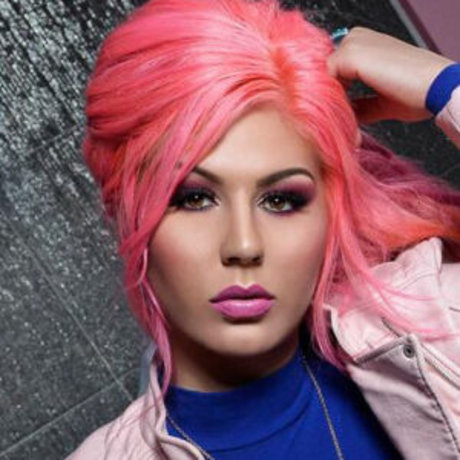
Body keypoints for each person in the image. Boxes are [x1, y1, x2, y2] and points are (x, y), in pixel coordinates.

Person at [68, 0, 460, 458]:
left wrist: (445, 86)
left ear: (329, 210)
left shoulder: (441, 323)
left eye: (280, 200)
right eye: (193, 198)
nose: (244, 245)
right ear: (123, 211)